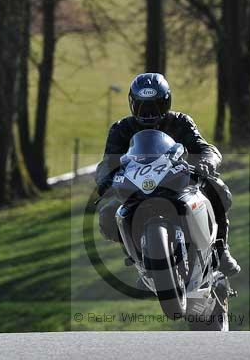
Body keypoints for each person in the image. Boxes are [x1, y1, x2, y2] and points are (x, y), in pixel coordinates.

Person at [95, 72, 240, 276]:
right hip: (137, 186)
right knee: (108, 215)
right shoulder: (121, 129)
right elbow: (107, 162)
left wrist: (206, 162)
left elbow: (205, 148)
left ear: (166, 102)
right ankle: (141, 260)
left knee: (217, 189)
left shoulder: (180, 122)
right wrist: (105, 181)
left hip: (177, 181)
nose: (148, 113)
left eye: (154, 106)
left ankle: (220, 248)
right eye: (142, 106)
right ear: (132, 104)